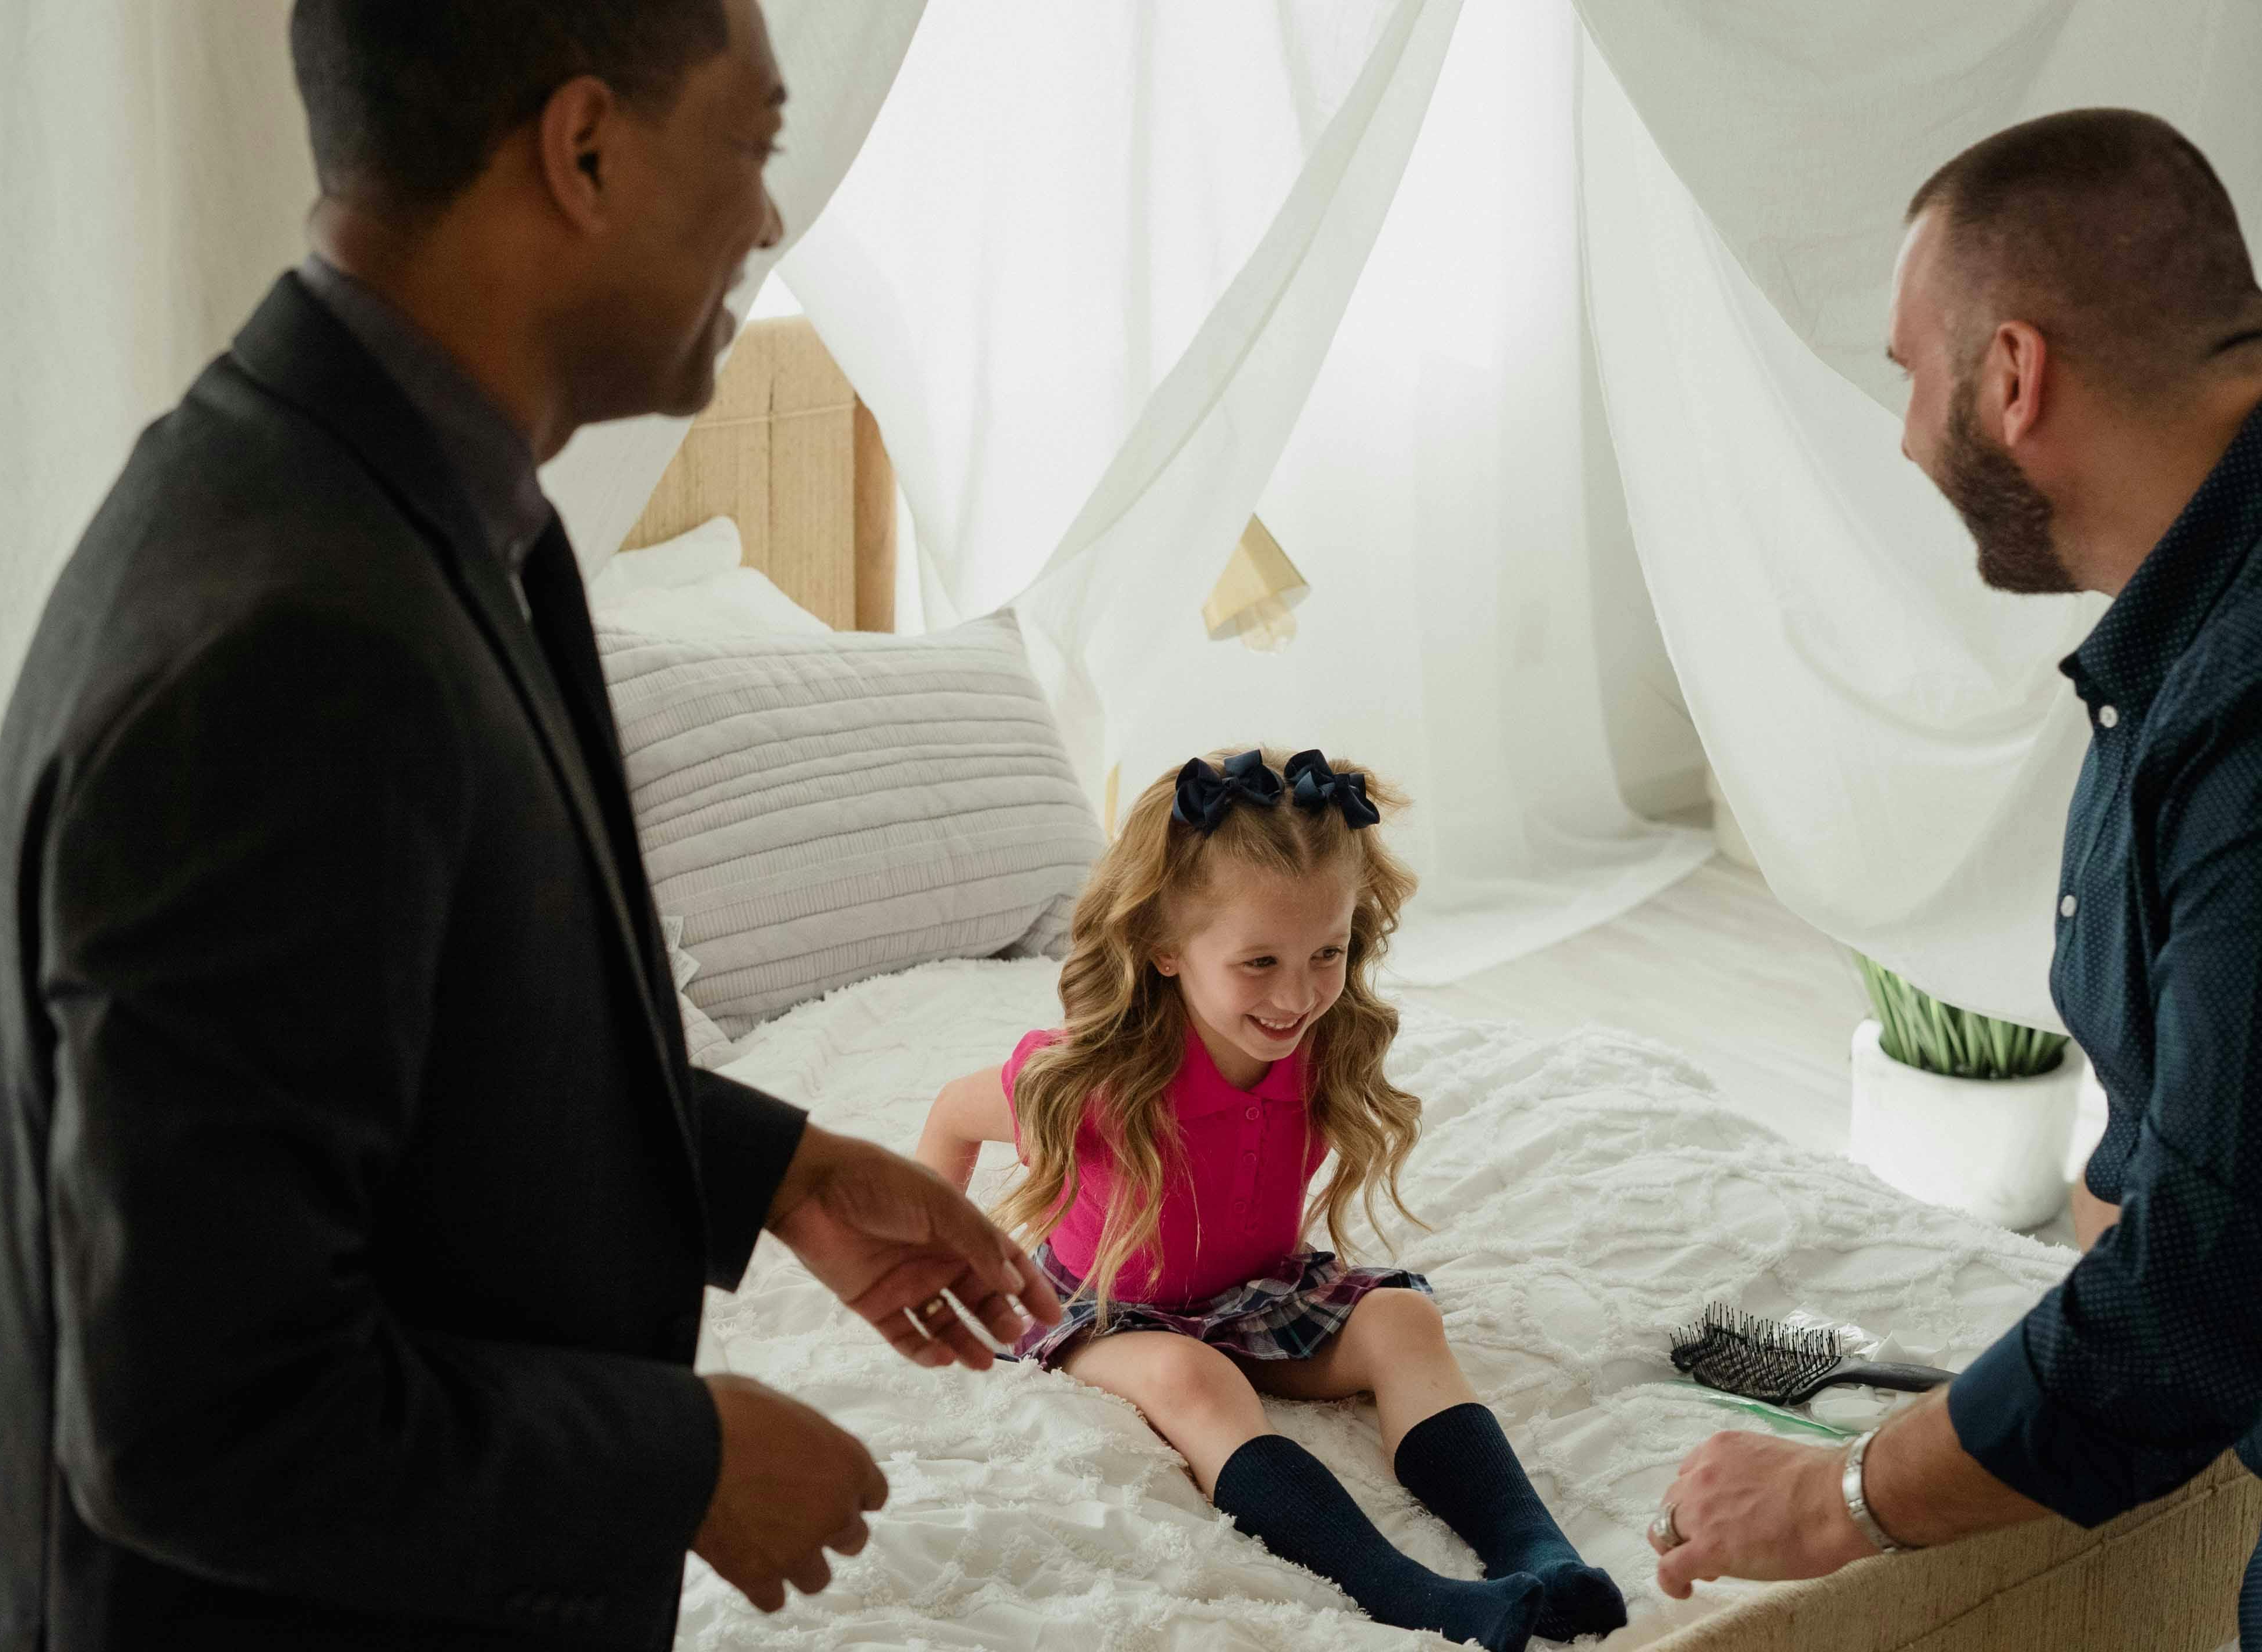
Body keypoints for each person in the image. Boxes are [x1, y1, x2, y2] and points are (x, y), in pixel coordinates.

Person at [0, 2, 1060, 1647]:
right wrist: (683, 1459)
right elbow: (195, 1420)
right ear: (583, 147)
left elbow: (408, 1027)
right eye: (754, 143)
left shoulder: (392, 502)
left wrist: (768, 1167)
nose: (769, 216)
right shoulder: (290, 639)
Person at [1644, 108, 2262, 1645]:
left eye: (1912, 375)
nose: (1909, 434)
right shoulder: (2192, 639)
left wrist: (1832, 1498)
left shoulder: (2247, 706)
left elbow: (2199, 1304)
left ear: (2011, 374)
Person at [917, 748, 1628, 1652]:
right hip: (1110, 1311)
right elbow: (951, 1113)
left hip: (1260, 1294)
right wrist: (941, 1263)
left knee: (1404, 1321)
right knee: (1194, 1379)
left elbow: (1317, 1018)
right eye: (1259, 962)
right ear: (1165, 948)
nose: (1297, 995)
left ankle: (1541, 1555)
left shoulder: (1323, 1044)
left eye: (1325, 953)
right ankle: (1416, 1595)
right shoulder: (1095, 1078)